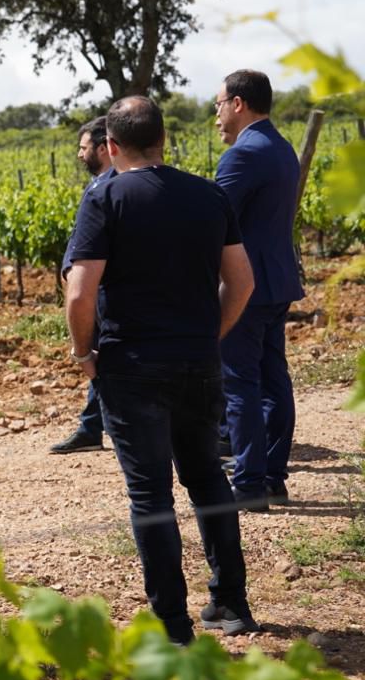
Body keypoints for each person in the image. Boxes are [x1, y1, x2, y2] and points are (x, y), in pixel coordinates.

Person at [66, 97, 258, 646]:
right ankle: (230, 602)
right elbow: (242, 281)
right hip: (198, 360)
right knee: (207, 478)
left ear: (110, 146)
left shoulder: (105, 197)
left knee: (150, 494)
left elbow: (80, 291)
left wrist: (85, 354)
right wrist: (210, 335)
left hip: (130, 364)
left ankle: (173, 627)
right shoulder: (208, 194)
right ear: (163, 141)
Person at [214, 69, 304, 509]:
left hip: (246, 285)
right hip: (279, 278)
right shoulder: (282, 148)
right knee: (272, 378)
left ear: (238, 103)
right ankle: (272, 476)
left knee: (240, 382)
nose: (215, 115)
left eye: (218, 104)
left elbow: (216, 221)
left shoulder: (241, 155)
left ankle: (248, 484)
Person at [51, 119, 115, 454]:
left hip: (102, 293)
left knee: (102, 359)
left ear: (104, 148)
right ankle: (91, 426)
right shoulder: (101, 186)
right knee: (100, 358)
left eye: (84, 147)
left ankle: (101, 428)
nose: (80, 155)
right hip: (97, 292)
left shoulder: (108, 189)